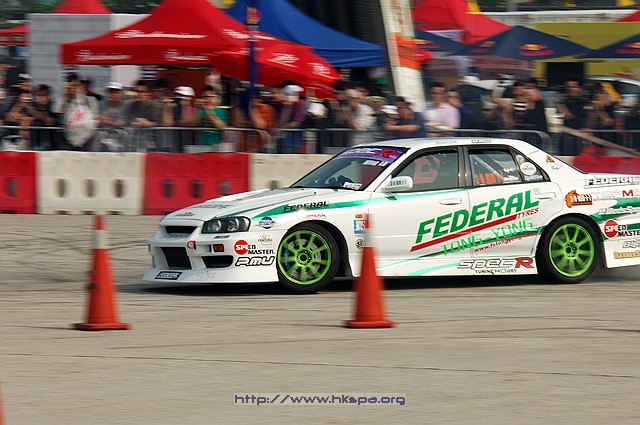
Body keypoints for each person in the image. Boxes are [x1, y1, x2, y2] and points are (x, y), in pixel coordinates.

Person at [58, 73, 99, 151]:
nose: (74, 88)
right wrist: (64, 94)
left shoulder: (91, 100)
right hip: (67, 139)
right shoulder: (65, 101)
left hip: (86, 139)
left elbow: (95, 118)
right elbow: (57, 111)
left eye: (76, 85)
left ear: (80, 86)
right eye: (71, 86)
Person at [125, 80, 161, 151]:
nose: (140, 94)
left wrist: (146, 123)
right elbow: (128, 120)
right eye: (138, 92)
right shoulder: (132, 106)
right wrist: (133, 122)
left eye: (142, 92)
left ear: (148, 93)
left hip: (151, 143)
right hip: (135, 142)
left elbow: (159, 123)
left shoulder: (155, 107)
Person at [556, 77, 589, 155]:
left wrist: (560, 102)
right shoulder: (564, 101)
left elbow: (568, 115)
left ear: (579, 89)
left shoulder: (583, 102)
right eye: (568, 87)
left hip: (579, 137)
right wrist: (560, 98)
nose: (570, 89)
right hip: (565, 137)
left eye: (573, 87)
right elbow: (558, 112)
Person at [162, 86, 197, 151]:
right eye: (179, 96)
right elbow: (167, 123)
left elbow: (188, 122)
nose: (181, 99)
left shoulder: (193, 110)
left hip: (188, 141)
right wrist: (167, 108)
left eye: (184, 96)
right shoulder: (173, 108)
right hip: (174, 141)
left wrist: (185, 107)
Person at [97, 81, 127, 151]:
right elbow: (99, 121)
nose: (113, 94)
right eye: (111, 92)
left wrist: (107, 121)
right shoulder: (102, 104)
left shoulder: (125, 106)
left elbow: (123, 124)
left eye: (116, 92)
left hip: (120, 139)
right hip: (103, 139)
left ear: (120, 93)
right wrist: (114, 123)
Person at [196, 85, 228, 149]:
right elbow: (193, 123)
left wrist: (208, 109)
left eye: (208, 96)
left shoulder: (221, 111)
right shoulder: (201, 110)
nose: (206, 99)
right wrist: (197, 109)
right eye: (204, 96)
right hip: (201, 145)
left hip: (216, 145)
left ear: (216, 98)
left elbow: (221, 126)